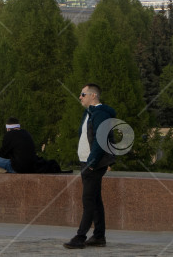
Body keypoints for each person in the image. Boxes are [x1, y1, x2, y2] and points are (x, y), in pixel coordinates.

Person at [64, 84, 116, 250]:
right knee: (94, 199)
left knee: (88, 200)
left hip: (93, 163)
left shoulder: (100, 113)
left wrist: (92, 162)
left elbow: (100, 139)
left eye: (83, 94)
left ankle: (80, 237)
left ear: (93, 96)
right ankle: (99, 237)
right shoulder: (89, 113)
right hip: (87, 161)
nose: (80, 97)